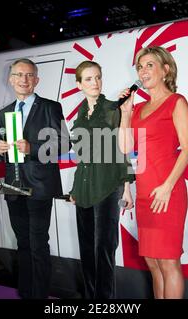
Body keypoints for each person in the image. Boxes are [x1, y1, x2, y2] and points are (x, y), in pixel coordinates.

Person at [118, 46, 188, 299]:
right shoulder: (138, 109)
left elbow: (187, 150)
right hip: (145, 194)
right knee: (152, 262)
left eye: (150, 65)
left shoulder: (176, 101)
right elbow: (126, 147)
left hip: (167, 193)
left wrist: (167, 186)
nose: (143, 70)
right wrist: (126, 113)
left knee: (169, 262)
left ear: (165, 70)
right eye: (140, 66)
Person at [0, 58, 70, 299]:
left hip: (39, 186)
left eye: (29, 75)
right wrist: (0, 151)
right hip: (13, 186)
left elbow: (64, 143)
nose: (24, 80)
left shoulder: (50, 107)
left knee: (38, 245)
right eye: (19, 75)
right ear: (11, 79)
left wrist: (33, 148)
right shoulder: (4, 113)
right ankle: (26, 294)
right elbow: (5, 150)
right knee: (23, 245)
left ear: (36, 80)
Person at [69, 61, 134, 299]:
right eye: (88, 79)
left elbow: (123, 149)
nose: (94, 82)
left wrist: (126, 188)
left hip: (108, 186)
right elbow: (82, 157)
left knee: (104, 250)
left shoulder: (111, 108)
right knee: (87, 250)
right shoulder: (80, 112)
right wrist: (75, 189)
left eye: (98, 77)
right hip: (84, 190)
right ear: (79, 85)